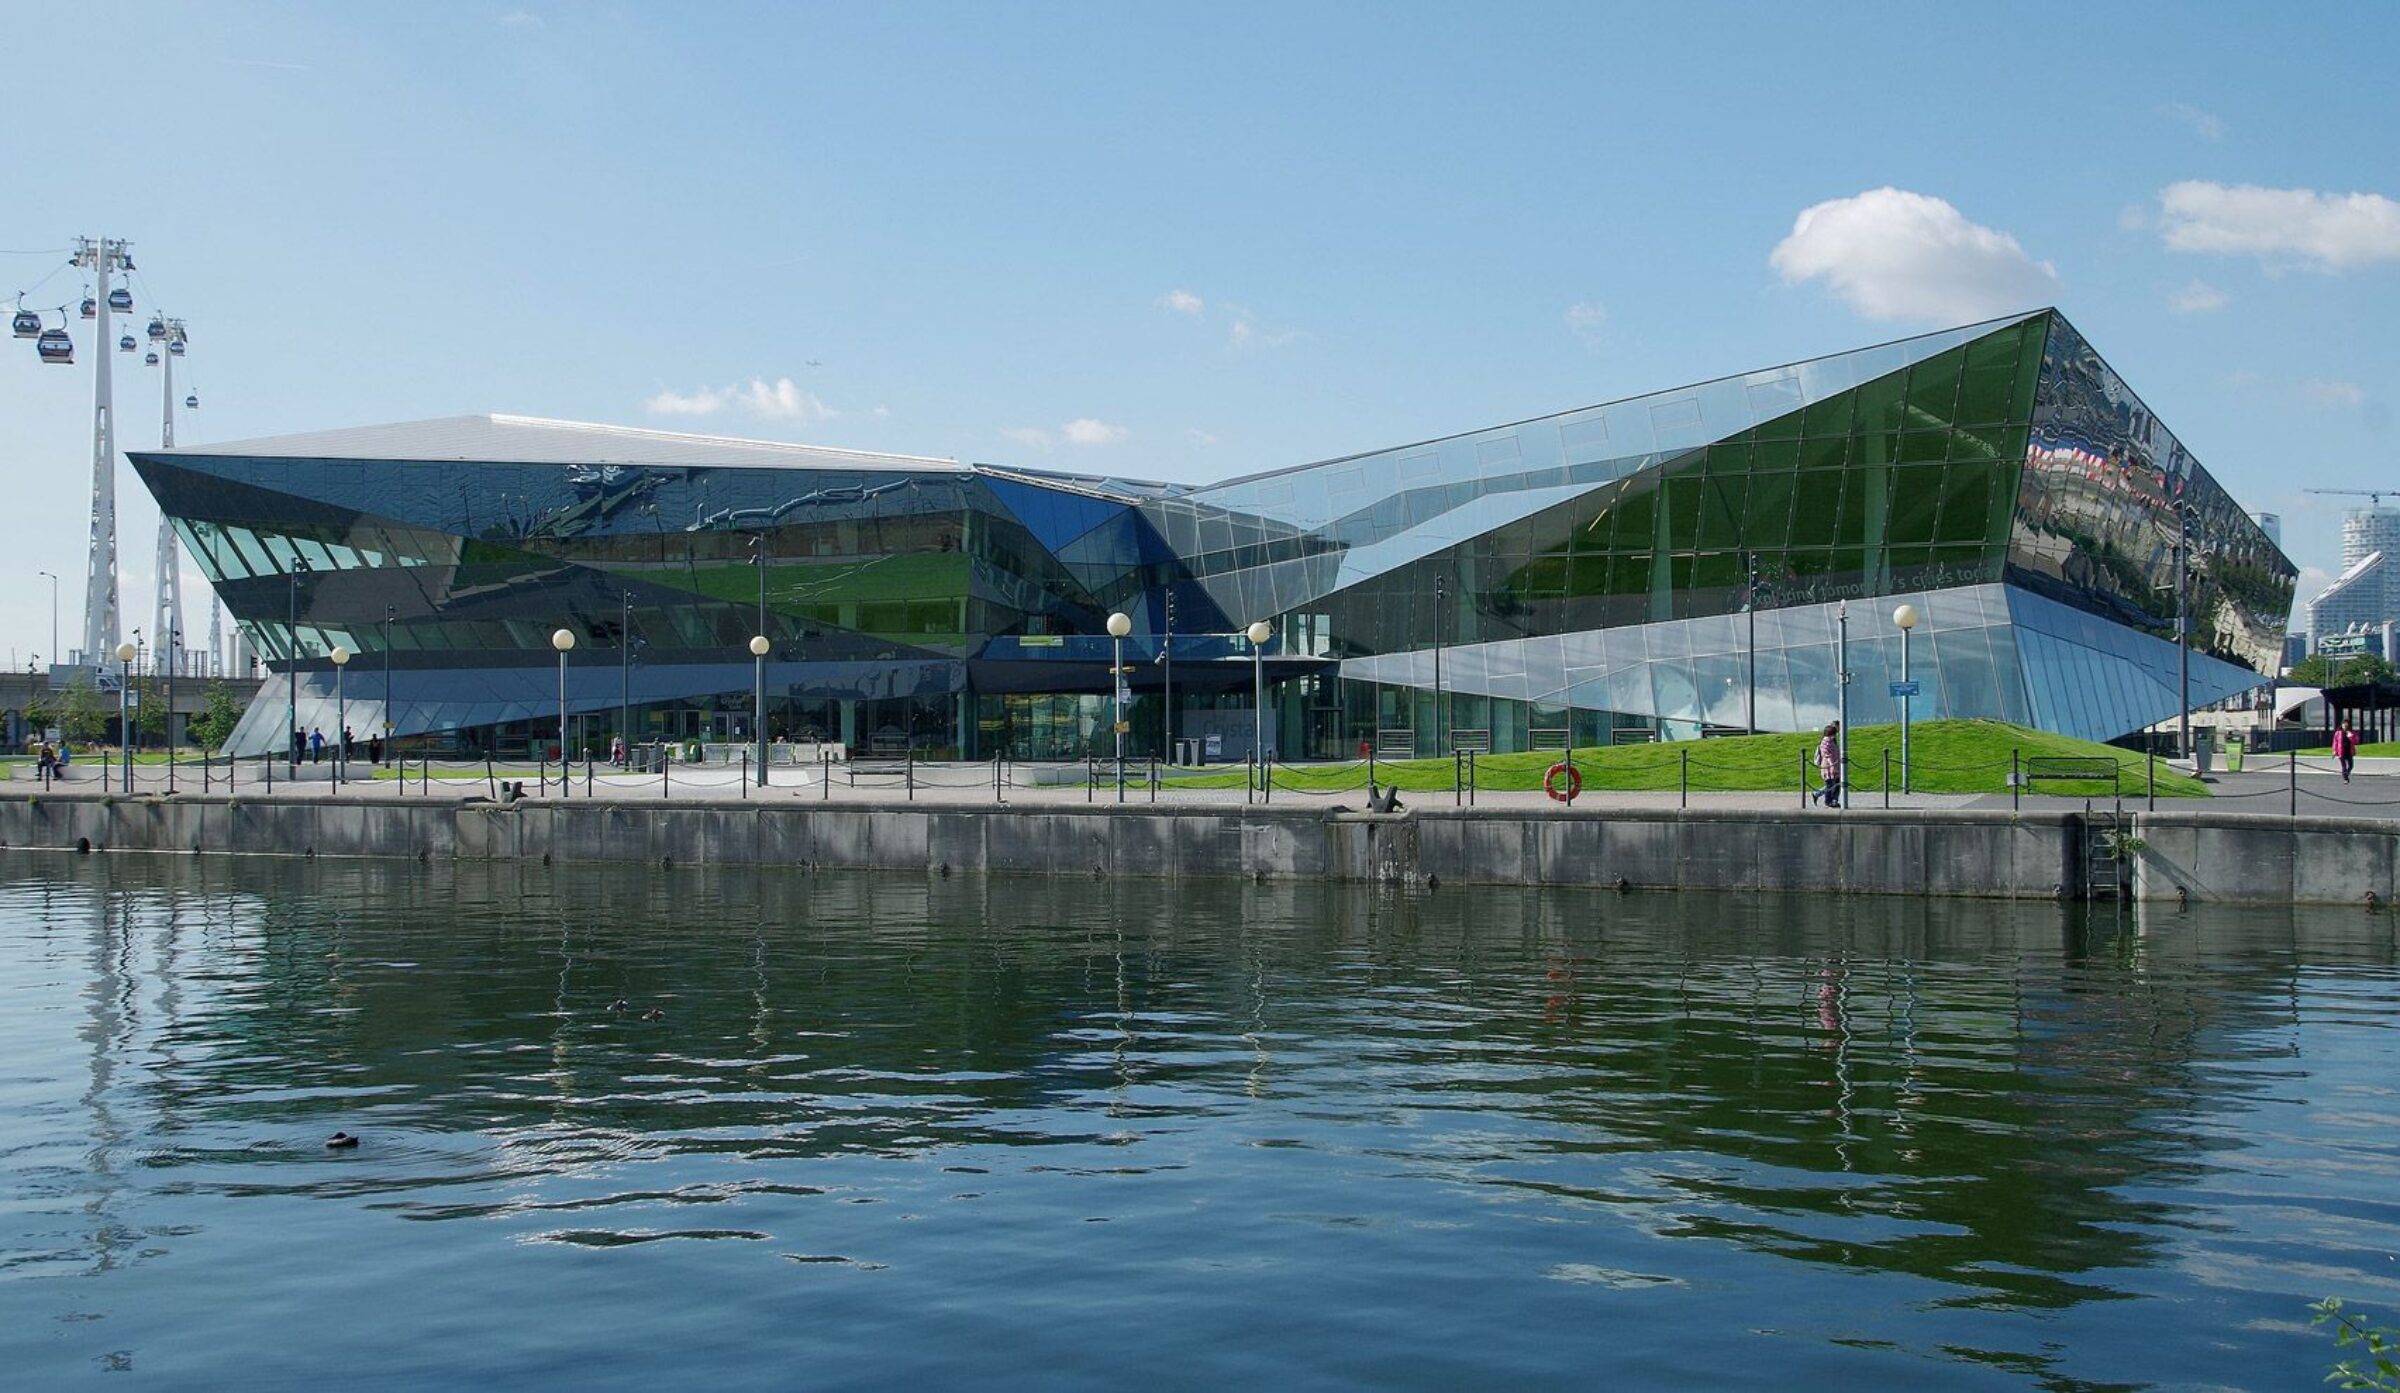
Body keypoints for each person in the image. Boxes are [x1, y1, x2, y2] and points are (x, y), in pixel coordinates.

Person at [1815, 721, 1842, 808]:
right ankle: (1828, 801)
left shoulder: (1830, 741)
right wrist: (1833, 766)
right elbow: (1828, 755)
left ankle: (1832, 800)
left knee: (1835, 784)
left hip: (1833, 766)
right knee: (1830, 785)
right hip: (1829, 768)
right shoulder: (1826, 742)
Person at [2333, 718, 2360, 783]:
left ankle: (2346, 774)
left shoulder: (2351, 732)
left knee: (2351, 765)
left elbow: (2356, 741)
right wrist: (2334, 751)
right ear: (2342, 725)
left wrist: (2351, 736)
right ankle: (2345, 778)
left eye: (2346, 726)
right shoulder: (2338, 733)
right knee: (2344, 766)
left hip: (2349, 751)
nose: (2345, 727)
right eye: (2344, 725)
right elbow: (2335, 742)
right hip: (2341, 752)